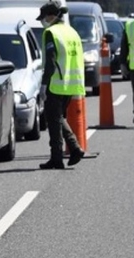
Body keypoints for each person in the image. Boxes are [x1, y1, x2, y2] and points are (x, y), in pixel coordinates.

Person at [36, 0, 86, 170]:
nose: (43, 21)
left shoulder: (52, 33)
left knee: (53, 121)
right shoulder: (72, 32)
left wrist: (44, 84)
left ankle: (57, 158)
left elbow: (50, 62)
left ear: (51, 16)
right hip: (71, 84)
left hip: (55, 83)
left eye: (43, 17)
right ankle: (75, 148)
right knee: (58, 118)